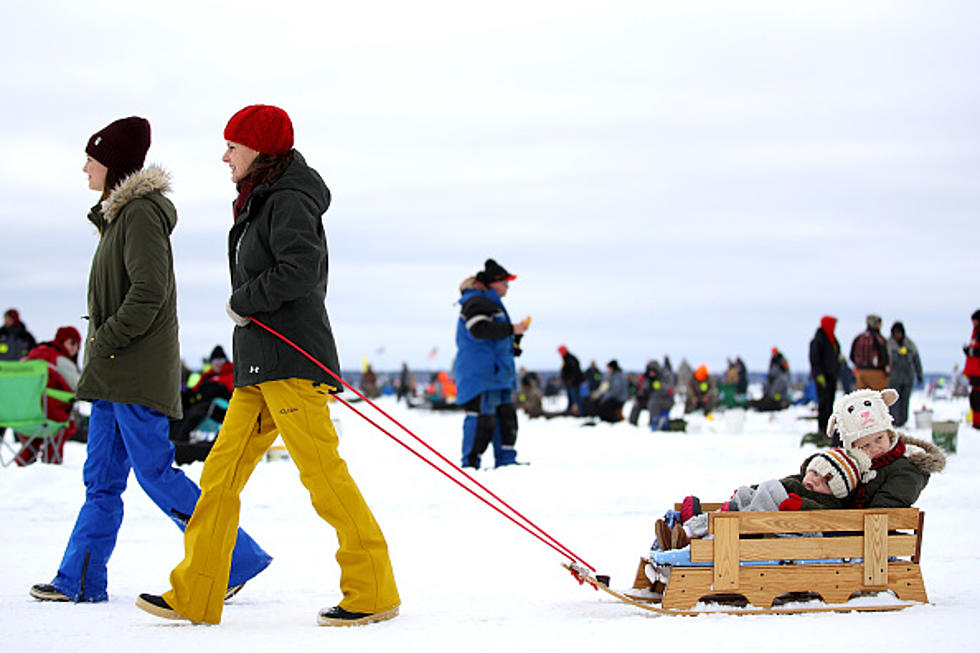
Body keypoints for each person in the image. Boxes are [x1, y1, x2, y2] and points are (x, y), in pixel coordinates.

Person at [136, 105, 399, 627]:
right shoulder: (262, 199)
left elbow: (301, 270)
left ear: (259, 148)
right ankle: (197, 591)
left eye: (232, 145)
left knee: (323, 478)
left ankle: (373, 589)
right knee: (219, 476)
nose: (225, 155)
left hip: (293, 362)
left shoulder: (289, 199)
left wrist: (245, 299)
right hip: (260, 366)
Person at [30, 116, 271, 605]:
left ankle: (232, 558)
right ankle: (79, 579)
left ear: (112, 165)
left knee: (156, 473)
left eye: (91, 161)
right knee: (100, 479)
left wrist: (106, 338)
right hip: (110, 372)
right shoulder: (117, 219)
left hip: (132, 370)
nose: (84, 170)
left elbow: (149, 292)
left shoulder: (140, 214)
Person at [656, 447, 872, 550]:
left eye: (825, 483)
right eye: (814, 473)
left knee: (763, 496)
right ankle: (686, 531)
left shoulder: (831, 504)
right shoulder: (797, 481)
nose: (814, 481)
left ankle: (698, 537)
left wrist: (801, 505)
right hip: (759, 514)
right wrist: (747, 492)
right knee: (752, 497)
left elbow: (827, 517)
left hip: (777, 527)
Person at [454, 258, 530, 469]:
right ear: (492, 283)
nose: (507, 286)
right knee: (481, 420)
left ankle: (506, 461)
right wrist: (511, 330)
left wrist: (513, 344)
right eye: (504, 282)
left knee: (506, 419)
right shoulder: (477, 302)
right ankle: (470, 465)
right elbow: (479, 329)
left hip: (498, 375)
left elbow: (494, 338)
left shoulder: (491, 302)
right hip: (481, 375)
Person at [828, 388, 946, 508]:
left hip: (878, 524)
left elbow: (888, 503)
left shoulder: (906, 468)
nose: (875, 448)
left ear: (889, 435)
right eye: (865, 446)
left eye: (879, 438)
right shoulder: (854, 468)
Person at [13, 326, 81, 466]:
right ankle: (51, 465)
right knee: (65, 424)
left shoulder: (31, 356)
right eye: (72, 343)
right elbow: (79, 388)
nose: (75, 348)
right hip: (50, 418)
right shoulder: (61, 360)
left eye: (78, 345)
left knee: (35, 437)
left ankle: (21, 466)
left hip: (22, 417)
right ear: (61, 341)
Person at [886, 321, 923, 427]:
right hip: (893, 378)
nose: (898, 335)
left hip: (907, 378)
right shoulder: (888, 344)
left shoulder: (910, 344)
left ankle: (903, 422)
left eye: (900, 332)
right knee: (893, 401)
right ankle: (893, 421)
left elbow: (917, 360)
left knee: (905, 401)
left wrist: (919, 374)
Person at [809, 315, 841, 435]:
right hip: (822, 377)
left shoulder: (832, 339)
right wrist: (818, 375)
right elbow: (815, 359)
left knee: (830, 403)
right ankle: (822, 429)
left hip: (832, 376)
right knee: (823, 404)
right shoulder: (818, 340)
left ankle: (829, 429)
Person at [850, 314, 890, 390]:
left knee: (863, 398)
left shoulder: (858, 338)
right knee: (878, 397)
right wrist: (887, 369)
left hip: (860, 372)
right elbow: (884, 355)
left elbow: (851, 356)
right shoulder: (879, 339)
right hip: (877, 372)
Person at [964, 310, 980, 429]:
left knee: (977, 398)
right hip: (974, 372)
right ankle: (976, 422)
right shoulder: (975, 333)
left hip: (978, 372)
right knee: (974, 399)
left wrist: (971, 352)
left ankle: (978, 423)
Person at [558, 345, 585, 415]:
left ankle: (581, 412)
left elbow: (574, 371)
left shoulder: (570, 359)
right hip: (570, 383)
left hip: (574, 383)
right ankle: (571, 411)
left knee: (576, 398)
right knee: (571, 398)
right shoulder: (567, 359)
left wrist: (570, 380)